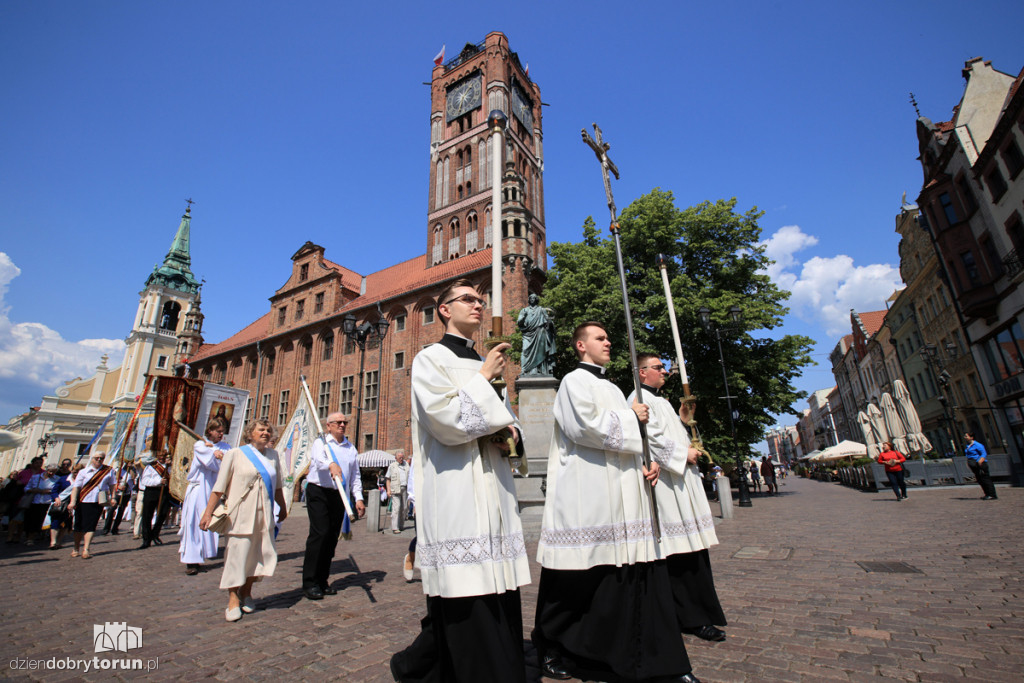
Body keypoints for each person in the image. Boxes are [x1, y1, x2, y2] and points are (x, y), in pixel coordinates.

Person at [534, 322, 698, 683]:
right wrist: (631, 417)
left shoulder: (612, 387)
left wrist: (647, 461)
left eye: (609, 337)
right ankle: (552, 645)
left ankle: (632, 655)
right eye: (600, 338)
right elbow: (585, 427)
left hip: (623, 491)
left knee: (620, 576)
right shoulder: (572, 382)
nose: (608, 342)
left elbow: (633, 438)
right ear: (580, 345)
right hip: (587, 492)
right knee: (577, 579)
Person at [390, 279, 530, 683]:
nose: (479, 304)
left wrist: (512, 437)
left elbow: (507, 419)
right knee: (464, 595)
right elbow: (445, 421)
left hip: (495, 489)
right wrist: (484, 378)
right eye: (468, 298)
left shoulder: (485, 364)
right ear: (444, 310)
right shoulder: (429, 359)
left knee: (497, 591)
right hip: (456, 489)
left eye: (480, 299)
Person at [631, 353, 727, 643]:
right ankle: (691, 617)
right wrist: (683, 454)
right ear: (642, 372)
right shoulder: (636, 400)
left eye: (664, 367)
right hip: (668, 487)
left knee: (693, 551)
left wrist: (685, 421)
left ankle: (698, 613)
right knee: (680, 555)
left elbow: (671, 433)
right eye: (659, 368)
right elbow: (648, 439)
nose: (665, 372)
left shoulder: (663, 402)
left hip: (683, 484)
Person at [200, 418, 288, 622]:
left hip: (264, 515)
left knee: (257, 556)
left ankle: (246, 592)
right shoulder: (235, 454)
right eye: (261, 430)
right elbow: (219, 487)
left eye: (268, 430)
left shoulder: (273, 455)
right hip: (240, 514)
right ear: (250, 433)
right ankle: (232, 598)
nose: (265, 432)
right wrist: (207, 513)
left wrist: (282, 507)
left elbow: (277, 486)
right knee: (236, 557)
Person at [301, 412, 363, 600]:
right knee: (320, 534)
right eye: (338, 422)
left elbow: (355, 475)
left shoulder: (350, 448)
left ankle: (322, 580)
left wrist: (358, 498)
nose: (342, 425)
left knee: (331, 538)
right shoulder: (321, 443)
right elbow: (319, 461)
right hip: (319, 491)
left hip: (339, 494)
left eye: (345, 422)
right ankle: (310, 582)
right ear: (328, 425)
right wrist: (331, 464)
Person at [179, 418, 228, 575]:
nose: (221, 434)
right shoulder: (200, 445)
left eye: (222, 431)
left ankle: (203, 554)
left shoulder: (226, 447)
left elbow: (226, 466)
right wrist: (213, 453)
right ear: (210, 431)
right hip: (198, 489)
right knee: (193, 523)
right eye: (218, 431)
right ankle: (191, 560)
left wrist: (219, 455)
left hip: (213, 491)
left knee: (210, 524)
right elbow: (210, 464)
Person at [67, 452, 115, 559]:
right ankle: (76, 547)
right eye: (96, 458)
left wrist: (113, 497)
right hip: (82, 501)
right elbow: (76, 488)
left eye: (101, 458)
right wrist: (73, 501)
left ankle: (86, 549)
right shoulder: (83, 472)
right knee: (78, 526)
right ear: (92, 459)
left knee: (91, 525)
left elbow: (112, 485)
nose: (99, 460)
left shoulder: (108, 471)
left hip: (97, 501)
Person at [516, 292, 557, 376]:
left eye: (534, 298)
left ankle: (539, 370)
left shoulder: (541, 310)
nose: (532, 299)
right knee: (525, 351)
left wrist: (550, 322)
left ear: (536, 300)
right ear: (529, 300)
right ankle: (524, 370)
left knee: (540, 352)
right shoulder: (524, 310)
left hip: (540, 332)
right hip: (528, 334)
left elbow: (548, 321)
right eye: (530, 298)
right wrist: (523, 318)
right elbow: (519, 322)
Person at [138, 448, 171, 549]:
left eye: (164, 456)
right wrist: (158, 481)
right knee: (147, 515)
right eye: (160, 456)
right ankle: (146, 539)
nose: (162, 458)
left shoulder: (169, 467)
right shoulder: (151, 467)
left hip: (164, 492)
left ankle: (155, 534)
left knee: (163, 514)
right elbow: (145, 480)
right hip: (151, 491)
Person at [23, 464, 56, 546]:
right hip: (34, 501)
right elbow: (26, 488)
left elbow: (57, 490)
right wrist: (34, 490)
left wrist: (48, 492)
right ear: (46, 470)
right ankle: (30, 538)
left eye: (54, 472)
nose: (51, 473)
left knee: (42, 520)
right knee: (32, 520)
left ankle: (40, 535)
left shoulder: (56, 479)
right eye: (50, 471)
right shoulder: (36, 477)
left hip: (47, 503)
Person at [102, 463, 135, 536]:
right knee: (111, 510)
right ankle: (106, 528)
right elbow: (111, 481)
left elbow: (132, 484)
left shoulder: (131, 473)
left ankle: (115, 528)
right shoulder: (117, 471)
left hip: (125, 494)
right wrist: (117, 486)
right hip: (116, 494)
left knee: (121, 511)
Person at [964, 433, 997, 500]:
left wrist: (980, 461)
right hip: (973, 464)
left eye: (966, 436)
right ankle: (987, 494)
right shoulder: (968, 445)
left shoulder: (977, 445)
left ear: (971, 437)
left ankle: (992, 494)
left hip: (980, 464)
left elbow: (983, 453)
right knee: (980, 480)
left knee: (985, 479)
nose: (965, 437)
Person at [385, 450, 410, 534]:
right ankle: (395, 527)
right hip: (395, 489)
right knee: (397, 507)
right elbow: (388, 479)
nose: (401, 459)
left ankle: (401, 525)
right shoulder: (392, 466)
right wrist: (388, 490)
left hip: (405, 488)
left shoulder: (406, 465)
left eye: (402, 457)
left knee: (405, 508)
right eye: (400, 458)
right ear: (396, 458)